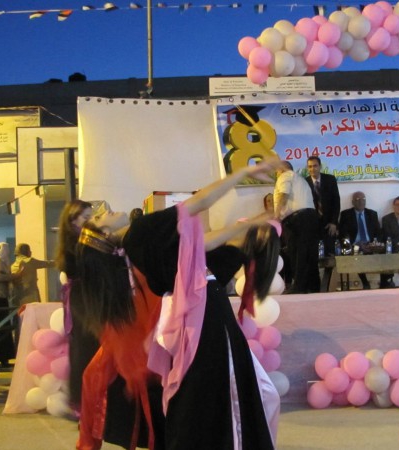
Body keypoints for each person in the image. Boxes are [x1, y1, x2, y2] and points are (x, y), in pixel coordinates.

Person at [72, 159, 283, 450]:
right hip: (205, 314)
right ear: (106, 236)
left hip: (196, 317)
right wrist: (243, 173)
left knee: (202, 397)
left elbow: (200, 244)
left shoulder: (136, 247)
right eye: (98, 219)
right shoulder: (140, 232)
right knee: (220, 392)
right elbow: (199, 202)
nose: (103, 211)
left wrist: (244, 228)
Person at [55, 199, 99, 411]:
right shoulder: (76, 245)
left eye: (92, 217)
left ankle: (85, 399)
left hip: (88, 298)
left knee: (87, 348)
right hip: (83, 300)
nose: (91, 221)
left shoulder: (84, 241)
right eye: (86, 218)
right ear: (73, 220)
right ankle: (81, 400)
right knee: (84, 348)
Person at [274, 160, 321, 294]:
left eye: (276, 171)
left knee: (298, 254)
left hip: (297, 220)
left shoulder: (285, 175)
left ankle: (299, 287)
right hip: (311, 217)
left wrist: (276, 217)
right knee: (310, 255)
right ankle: (314, 287)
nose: (276, 174)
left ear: (281, 169)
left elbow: (283, 194)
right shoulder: (301, 180)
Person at [338, 192, 382, 289]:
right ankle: (365, 283)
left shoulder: (372, 214)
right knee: (356, 254)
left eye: (363, 199)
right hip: (355, 245)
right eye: (358, 200)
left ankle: (384, 282)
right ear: (353, 202)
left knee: (386, 253)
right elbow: (343, 234)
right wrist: (355, 244)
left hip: (371, 244)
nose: (361, 202)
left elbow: (378, 233)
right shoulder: (346, 214)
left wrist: (373, 244)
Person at [305, 156, 340, 256]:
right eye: (310, 166)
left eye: (315, 166)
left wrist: (334, 222)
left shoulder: (330, 179)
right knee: (313, 254)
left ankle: (328, 268)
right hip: (312, 225)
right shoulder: (304, 182)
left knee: (330, 253)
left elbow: (336, 202)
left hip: (329, 224)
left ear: (320, 166)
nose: (312, 169)